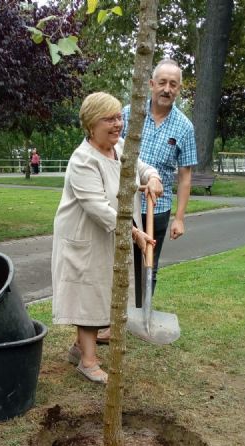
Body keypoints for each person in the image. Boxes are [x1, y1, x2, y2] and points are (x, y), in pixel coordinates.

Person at [51, 92, 163, 384]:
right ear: (91, 125)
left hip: (110, 233)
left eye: (119, 117)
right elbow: (98, 208)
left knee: (104, 289)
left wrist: (153, 178)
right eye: (110, 119)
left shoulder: (119, 148)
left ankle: (79, 349)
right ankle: (88, 362)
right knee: (88, 293)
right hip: (85, 235)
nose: (118, 124)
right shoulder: (83, 160)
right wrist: (136, 233)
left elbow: (141, 166)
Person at [97, 58, 197, 344]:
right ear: (151, 84)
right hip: (122, 206)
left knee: (146, 267)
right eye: (162, 82)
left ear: (179, 89)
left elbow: (185, 175)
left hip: (157, 210)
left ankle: (140, 317)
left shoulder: (184, 127)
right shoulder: (127, 115)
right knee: (113, 263)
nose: (167, 89)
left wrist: (180, 217)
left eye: (173, 84)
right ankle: (107, 320)